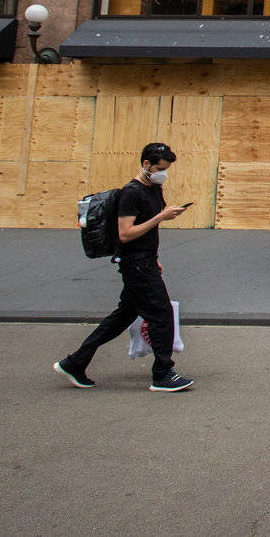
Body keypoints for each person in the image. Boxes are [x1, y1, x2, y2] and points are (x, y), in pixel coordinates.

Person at [55, 142, 194, 392]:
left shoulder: (155, 189)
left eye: (166, 168)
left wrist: (155, 256)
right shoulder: (131, 193)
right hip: (136, 264)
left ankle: (75, 363)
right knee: (161, 315)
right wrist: (161, 217)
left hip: (145, 261)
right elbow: (125, 234)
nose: (164, 173)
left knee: (121, 318)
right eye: (160, 168)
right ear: (146, 165)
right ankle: (163, 374)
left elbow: (147, 232)